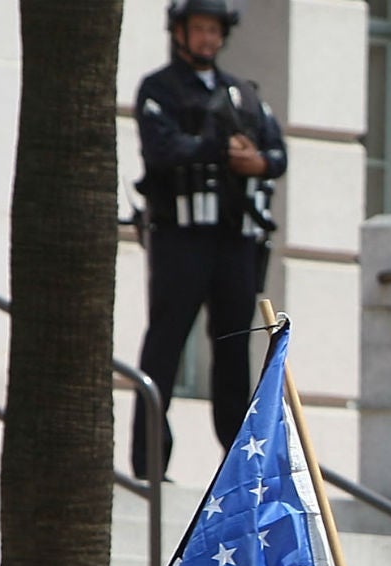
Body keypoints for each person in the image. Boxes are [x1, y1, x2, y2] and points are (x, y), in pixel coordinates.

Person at [131, 0, 287, 479]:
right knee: (165, 345)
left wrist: (256, 162)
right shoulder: (159, 88)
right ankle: (149, 463)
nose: (207, 39)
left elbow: (276, 153)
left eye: (214, 30)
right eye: (199, 28)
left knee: (235, 350)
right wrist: (220, 150)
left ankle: (238, 468)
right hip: (181, 239)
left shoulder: (242, 93)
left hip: (235, 242)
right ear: (180, 32)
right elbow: (161, 151)